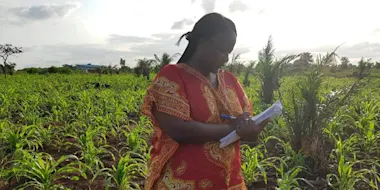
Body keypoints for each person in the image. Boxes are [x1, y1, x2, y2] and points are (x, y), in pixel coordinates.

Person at [141, 12, 269, 190]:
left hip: (228, 182)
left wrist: (250, 130)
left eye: (229, 52)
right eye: (221, 50)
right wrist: (232, 129)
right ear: (202, 42)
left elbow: (244, 128)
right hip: (182, 182)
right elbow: (180, 130)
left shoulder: (231, 81)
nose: (225, 58)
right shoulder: (173, 77)